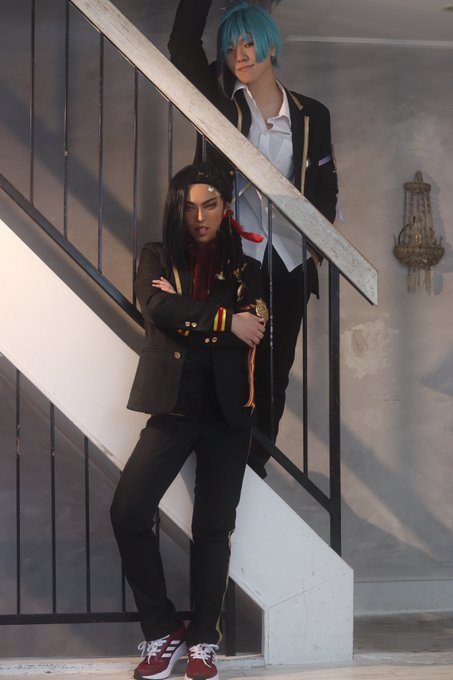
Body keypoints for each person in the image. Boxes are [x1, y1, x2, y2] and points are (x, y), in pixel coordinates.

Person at [110, 162, 266, 680]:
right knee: (129, 511)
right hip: (173, 409)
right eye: (190, 207)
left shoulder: (246, 267)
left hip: (228, 414)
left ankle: (202, 640)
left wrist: (188, 315)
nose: (200, 217)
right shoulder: (156, 256)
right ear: (177, 209)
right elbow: (157, 309)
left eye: (210, 205)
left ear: (225, 209)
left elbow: (253, 329)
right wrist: (223, 321)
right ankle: (162, 630)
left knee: (213, 530)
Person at [168, 1, 338, 478]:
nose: (239, 55)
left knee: (274, 371)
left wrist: (313, 254)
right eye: (229, 48)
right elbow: (181, 45)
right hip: (234, 256)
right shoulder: (221, 103)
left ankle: (254, 463)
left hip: (288, 260)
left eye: (248, 43)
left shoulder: (311, 115)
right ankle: (218, 460)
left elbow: (326, 188)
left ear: (271, 46)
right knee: (224, 359)